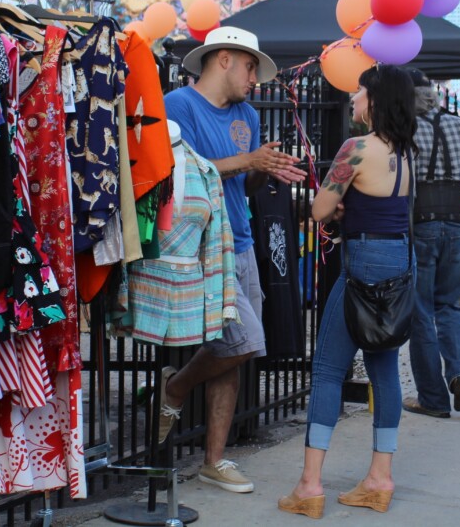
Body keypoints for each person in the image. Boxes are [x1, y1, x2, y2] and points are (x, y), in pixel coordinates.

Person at [160, 26, 306, 494]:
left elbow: (245, 184)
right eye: (249, 67)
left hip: (240, 242)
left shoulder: (247, 114)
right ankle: (176, 387)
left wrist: (268, 169)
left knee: (233, 357)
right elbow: (182, 172)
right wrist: (250, 161)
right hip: (200, 246)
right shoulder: (178, 105)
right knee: (244, 342)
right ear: (223, 59)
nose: (254, 78)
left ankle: (214, 461)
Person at [279, 65, 416, 519]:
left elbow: (319, 210)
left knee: (327, 369)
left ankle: (309, 485)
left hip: (363, 262)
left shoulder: (355, 148)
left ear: (375, 99)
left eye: (359, 91)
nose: (353, 98)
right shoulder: (405, 150)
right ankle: (380, 478)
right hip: (400, 260)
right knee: (384, 368)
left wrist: (335, 204)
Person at [402, 68, 460, 418]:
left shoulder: (405, 129)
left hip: (421, 222)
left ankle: (432, 398)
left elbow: (402, 185)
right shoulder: (459, 125)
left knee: (421, 310)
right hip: (456, 222)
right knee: (449, 305)